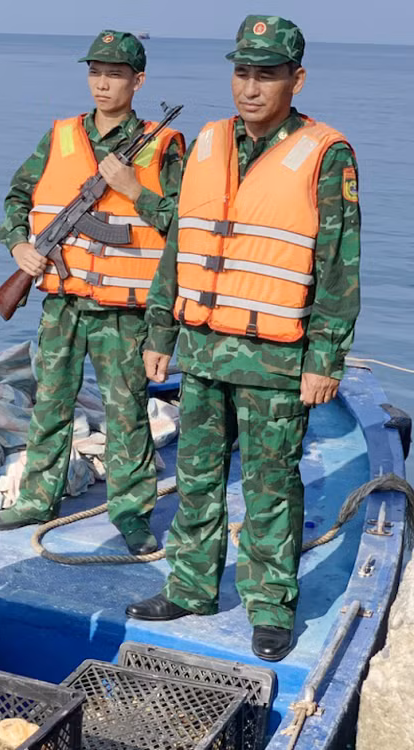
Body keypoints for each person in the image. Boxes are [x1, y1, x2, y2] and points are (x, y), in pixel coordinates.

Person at [127, 16, 361, 662]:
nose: (250, 87)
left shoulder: (325, 154)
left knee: (269, 484)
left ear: (296, 79)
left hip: (276, 360)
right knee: (197, 476)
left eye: (266, 74)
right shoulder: (207, 143)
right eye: (242, 72)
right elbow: (179, 243)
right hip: (203, 352)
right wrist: (160, 329)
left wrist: (326, 358)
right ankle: (193, 586)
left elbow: (339, 268)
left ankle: (269, 604)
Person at [0, 31, 184, 555]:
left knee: (128, 415)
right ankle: (38, 498)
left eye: (116, 74)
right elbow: (15, 197)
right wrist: (19, 249)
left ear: (137, 81)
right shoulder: (59, 137)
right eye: (96, 71)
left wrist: (133, 190)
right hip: (62, 303)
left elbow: (184, 226)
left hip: (124, 312)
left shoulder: (161, 146)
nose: (103, 83)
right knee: (50, 404)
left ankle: (132, 513)